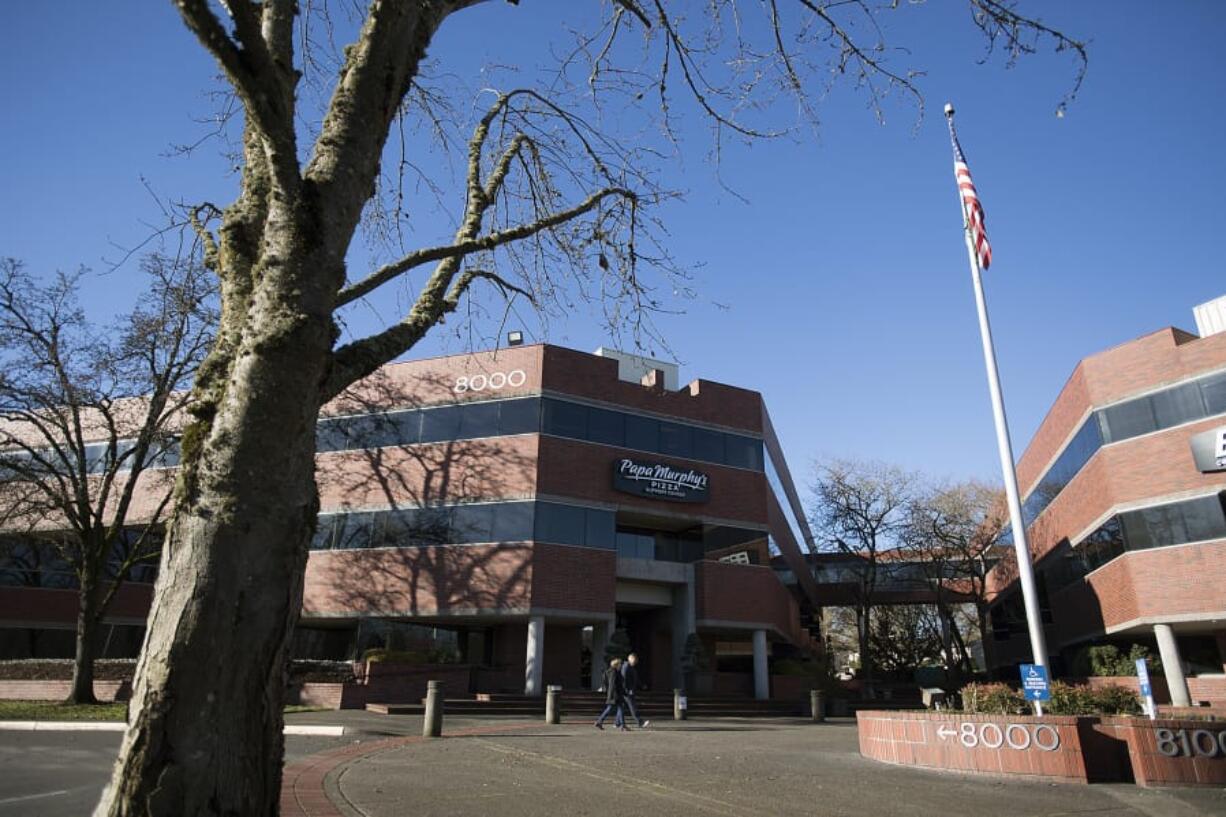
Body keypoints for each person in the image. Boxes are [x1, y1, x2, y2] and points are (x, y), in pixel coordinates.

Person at [594, 657, 628, 731]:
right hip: (615, 694)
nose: (621, 666)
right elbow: (614, 684)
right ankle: (623, 726)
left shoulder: (609, 672)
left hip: (612, 694)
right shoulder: (614, 672)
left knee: (612, 708)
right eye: (620, 664)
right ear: (616, 665)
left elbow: (606, 684)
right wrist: (617, 695)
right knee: (619, 708)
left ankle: (599, 722)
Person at [620, 652, 650, 728]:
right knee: (632, 707)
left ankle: (617, 723)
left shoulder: (631, 667)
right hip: (627, 692)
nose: (636, 662)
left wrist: (642, 685)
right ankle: (640, 722)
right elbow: (623, 680)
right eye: (635, 660)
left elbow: (635, 679)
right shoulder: (626, 667)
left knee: (621, 708)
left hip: (629, 691)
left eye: (636, 660)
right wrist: (627, 690)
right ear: (630, 659)